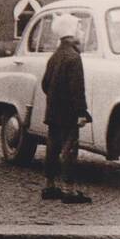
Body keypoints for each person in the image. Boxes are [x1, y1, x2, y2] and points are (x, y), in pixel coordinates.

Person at [40, 13, 92, 204]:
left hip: (53, 111)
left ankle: (49, 186)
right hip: (69, 113)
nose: (82, 31)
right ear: (71, 33)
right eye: (79, 28)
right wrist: (81, 112)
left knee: (52, 148)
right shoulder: (74, 57)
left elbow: (45, 84)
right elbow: (77, 89)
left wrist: (55, 98)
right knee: (70, 150)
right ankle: (69, 190)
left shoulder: (55, 56)